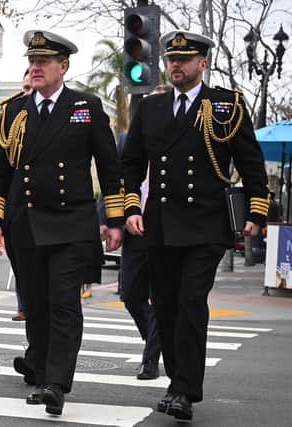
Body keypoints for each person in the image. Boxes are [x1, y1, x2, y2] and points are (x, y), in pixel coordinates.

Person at [121, 30, 269, 421]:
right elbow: (131, 162)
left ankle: (186, 390)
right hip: (161, 224)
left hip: (206, 225)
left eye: (184, 60)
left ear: (202, 63)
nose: (176, 66)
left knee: (190, 303)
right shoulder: (150, 109)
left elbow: (251, 162)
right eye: (171, 59)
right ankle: (175, 382)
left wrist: (256, 212)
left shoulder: (225, 105)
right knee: (166, 307)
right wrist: (131, 206)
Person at [0, 30, 124, 415]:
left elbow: (110, 168)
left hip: (71, 222)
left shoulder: (87, 106)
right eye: (32, 61)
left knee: (64, 302)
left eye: (44, 61)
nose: (36, 67)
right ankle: (42, 371)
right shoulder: (14, 112)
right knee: (37, 304)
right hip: (25, 222)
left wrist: (114, 218)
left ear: (63, 66)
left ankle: (56, 384)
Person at [119, 84, 171, 381]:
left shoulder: (177, 140)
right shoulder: (128, 138)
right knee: (129, 294)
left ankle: (150, 360)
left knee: (160, 295)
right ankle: (158, 334)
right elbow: (117, 179)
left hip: (164, 226)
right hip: (133, 225)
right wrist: (111, 219)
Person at [0, 69, 33, 322]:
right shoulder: (9, 117)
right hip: (15, 212)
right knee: (25, 273)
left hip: (57, 217)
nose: (27, 94)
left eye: (31, 88)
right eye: (24, 88)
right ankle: (25, 305)